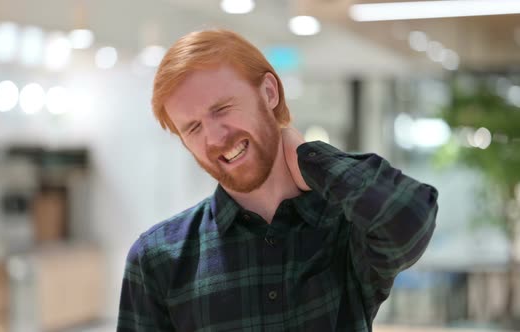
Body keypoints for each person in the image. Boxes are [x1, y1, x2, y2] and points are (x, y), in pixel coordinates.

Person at [117, 29, 438, 332]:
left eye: (223, 108)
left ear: (269, 92)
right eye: (193, 128)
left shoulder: (346, 224)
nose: (214, 137)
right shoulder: (158, 258)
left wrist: (311, 159)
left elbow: (410, 217)